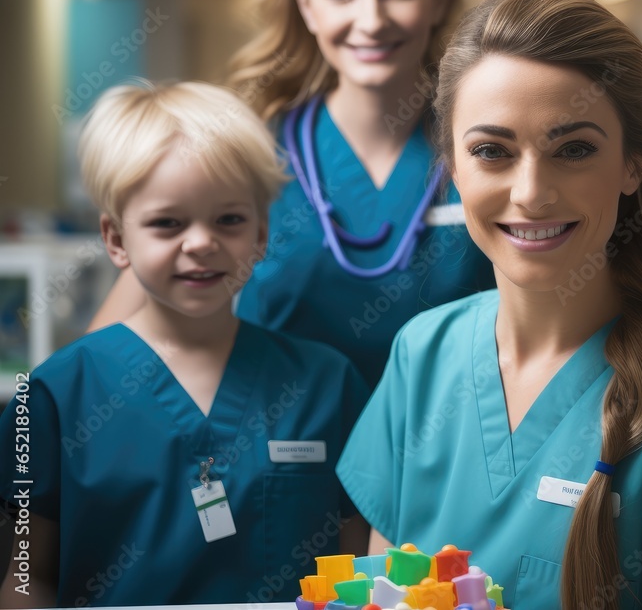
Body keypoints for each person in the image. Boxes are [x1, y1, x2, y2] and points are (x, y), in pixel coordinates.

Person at [336, 0, 642, 610]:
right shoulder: (422, 352)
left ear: (632, 165)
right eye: (491, 152)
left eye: (575, 150)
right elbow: (383, 596)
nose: (531, 192)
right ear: (453, 167)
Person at [0, 81, 370, 608]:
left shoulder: (326, 385)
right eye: (167, 223)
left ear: (262, 233)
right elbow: (27, 578)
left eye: (229, 220)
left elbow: (356, 571)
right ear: (116, 239)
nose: (201, 242)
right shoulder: (53, 397)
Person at [89, 0, 495, 388]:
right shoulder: (244, 154)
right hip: (277, 447)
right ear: (306, 4)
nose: (372, 19)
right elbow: (111, 342)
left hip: (448, 446)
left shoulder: (489, 150)